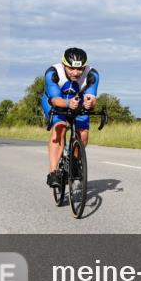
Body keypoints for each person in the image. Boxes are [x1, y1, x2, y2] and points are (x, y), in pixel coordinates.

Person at [42, 47, 99, 187]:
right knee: (59, 128)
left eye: (80, 69)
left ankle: (74, 162)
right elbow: (55, 100)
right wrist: (68, 103)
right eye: (71, 68)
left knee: (83, 135)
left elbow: (92, 96)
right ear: (63, 65)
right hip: (54, 101)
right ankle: (53, 172)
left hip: (77, 102)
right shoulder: (53, 73)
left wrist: (90, 102)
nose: (76, 72)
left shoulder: (92, 74)